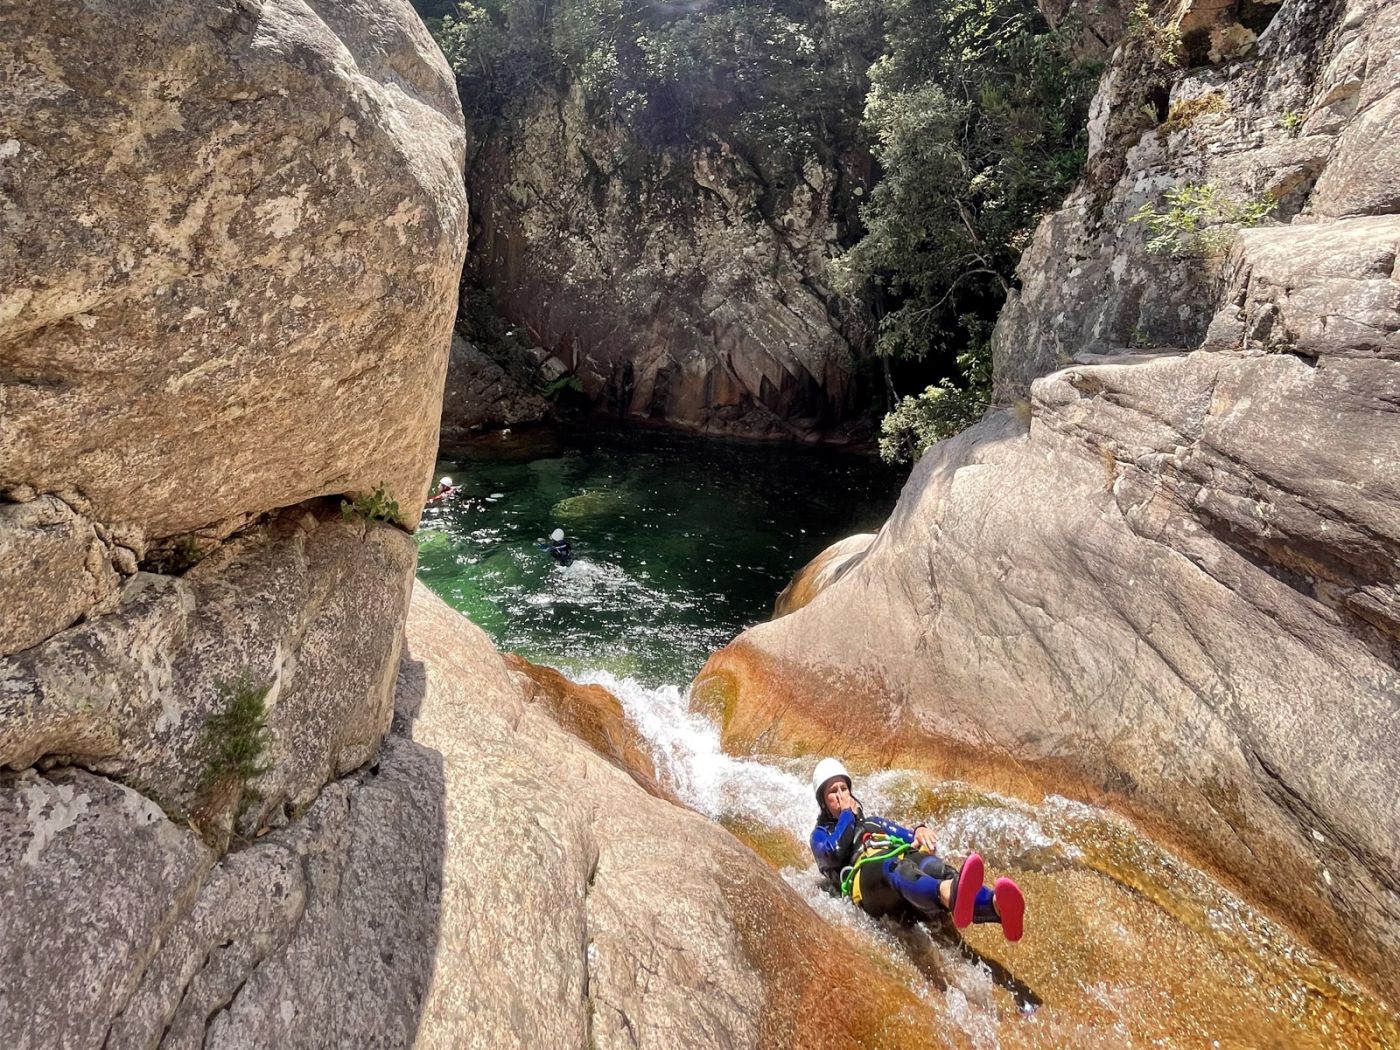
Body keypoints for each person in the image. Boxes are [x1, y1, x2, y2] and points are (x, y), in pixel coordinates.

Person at [809, 757, 1025, 941]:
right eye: (833, 791)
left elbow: (911, 838)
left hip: (900, 863)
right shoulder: (819, 834)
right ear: (823, 801)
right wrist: (847, 814)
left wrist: (920, 830)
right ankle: (946, 894)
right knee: (894, 867)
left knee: (938, 868)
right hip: (868, 880)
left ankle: (996, 907)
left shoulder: (874, 822)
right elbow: (834, 853)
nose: (841, 795)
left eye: (844, 788)